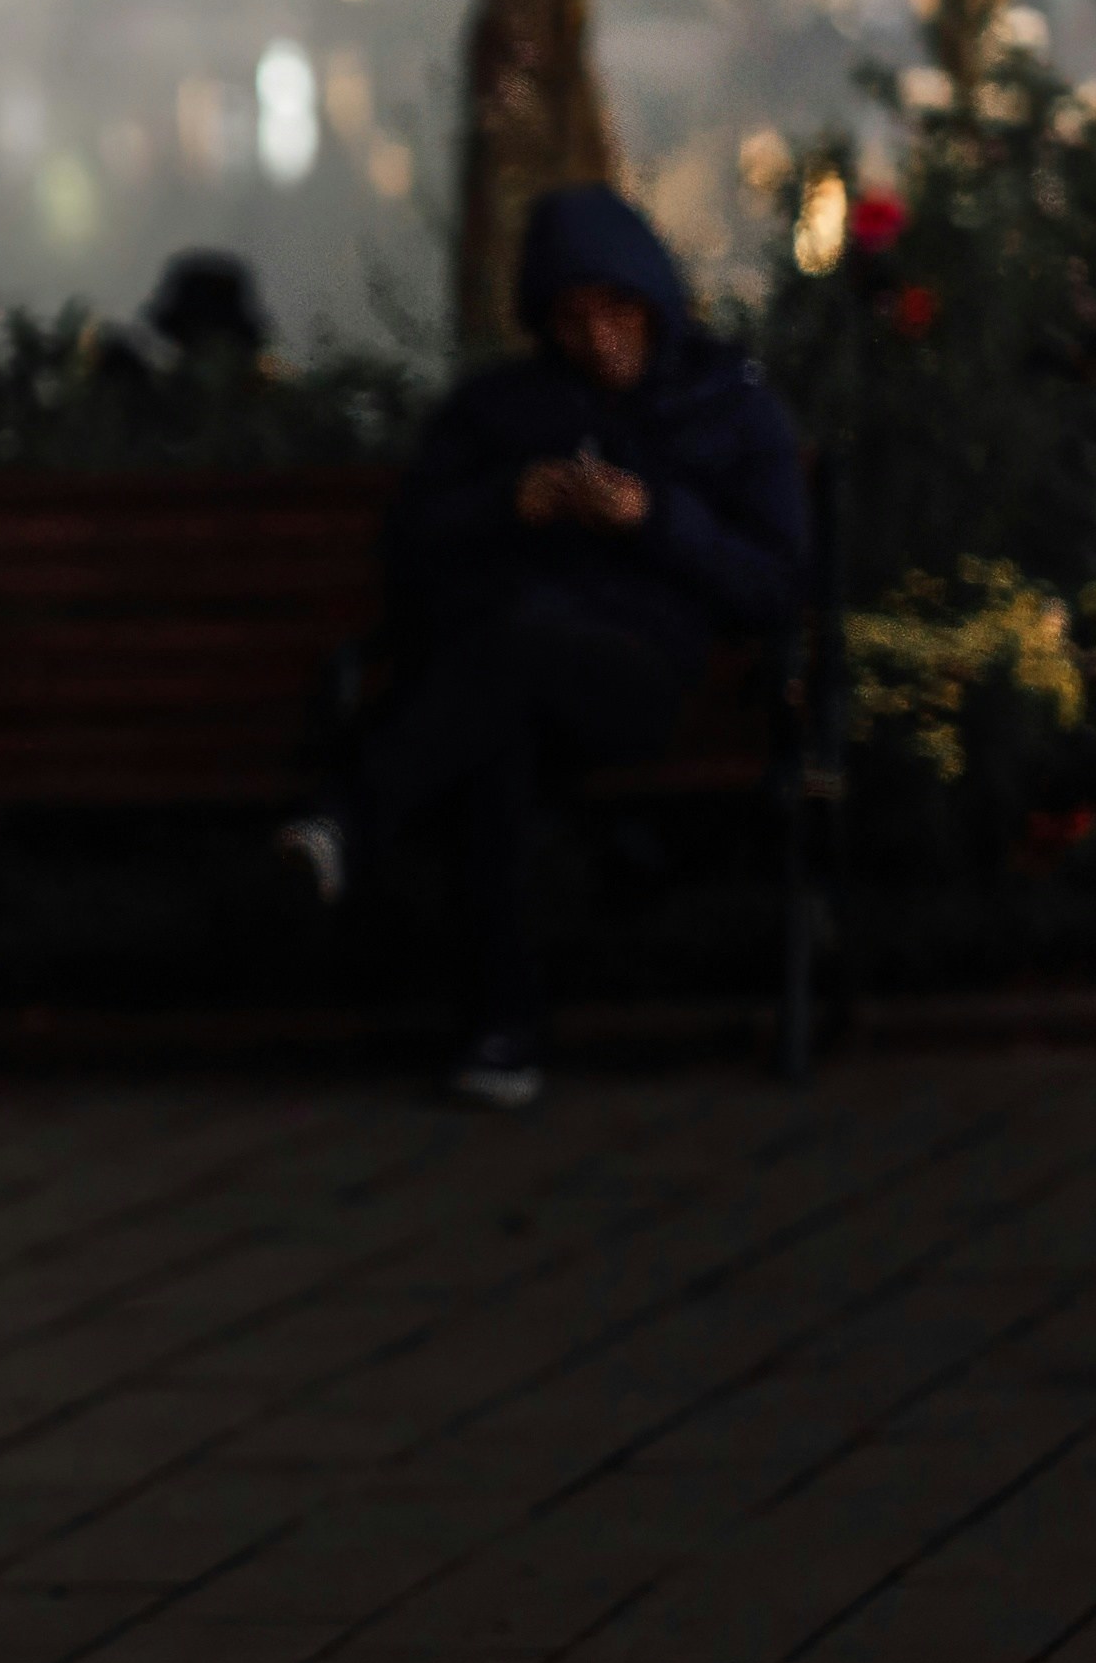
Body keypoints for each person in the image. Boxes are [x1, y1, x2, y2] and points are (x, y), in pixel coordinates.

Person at [305, 185, 804, 1113]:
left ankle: (348, 820)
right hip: (508, 671)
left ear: (653, 303)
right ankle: (503, 1035)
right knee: (500, 732)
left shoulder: (724, 405)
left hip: (643, 675)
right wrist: (510, 502)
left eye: (616, 310)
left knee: (506, 665)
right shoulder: (504, 411)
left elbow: (774, 582)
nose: (598, 338)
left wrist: (655, 520)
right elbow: (410, 544)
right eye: (572, 319)